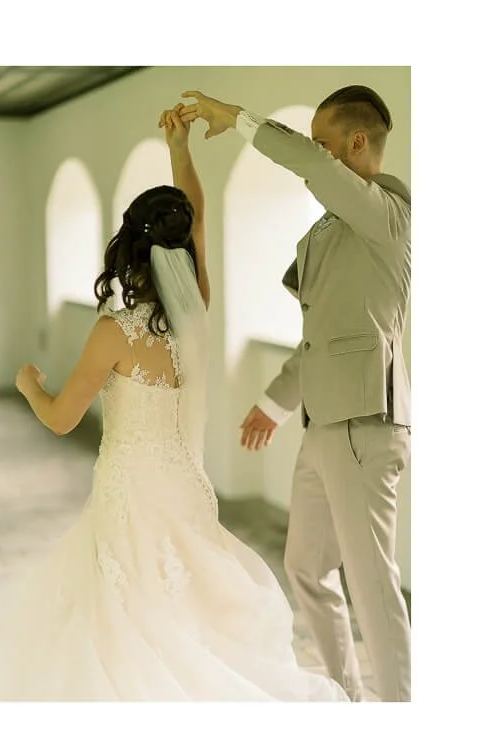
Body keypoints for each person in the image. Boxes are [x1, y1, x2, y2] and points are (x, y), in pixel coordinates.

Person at [0, 107, 347, 701]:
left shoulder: (115, 332)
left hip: (129, 490)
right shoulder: (195, 312)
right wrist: (180, 148)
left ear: (128, 248)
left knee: (126, 611)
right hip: (183, 484)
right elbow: (197, 217)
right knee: (185, 608)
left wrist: (27, 381)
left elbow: (59, 419)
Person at [179, 86, 411, 702]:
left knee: (372, 585)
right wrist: (275, 403)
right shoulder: (327, 235)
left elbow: (310, 168)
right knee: (306, 567)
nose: (317, 155)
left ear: (357, 144)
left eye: (325, 144)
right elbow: (320, 339)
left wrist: (237, 116)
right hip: (321, 424)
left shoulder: (388, 214)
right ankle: (347, 698)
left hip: (365, 425)